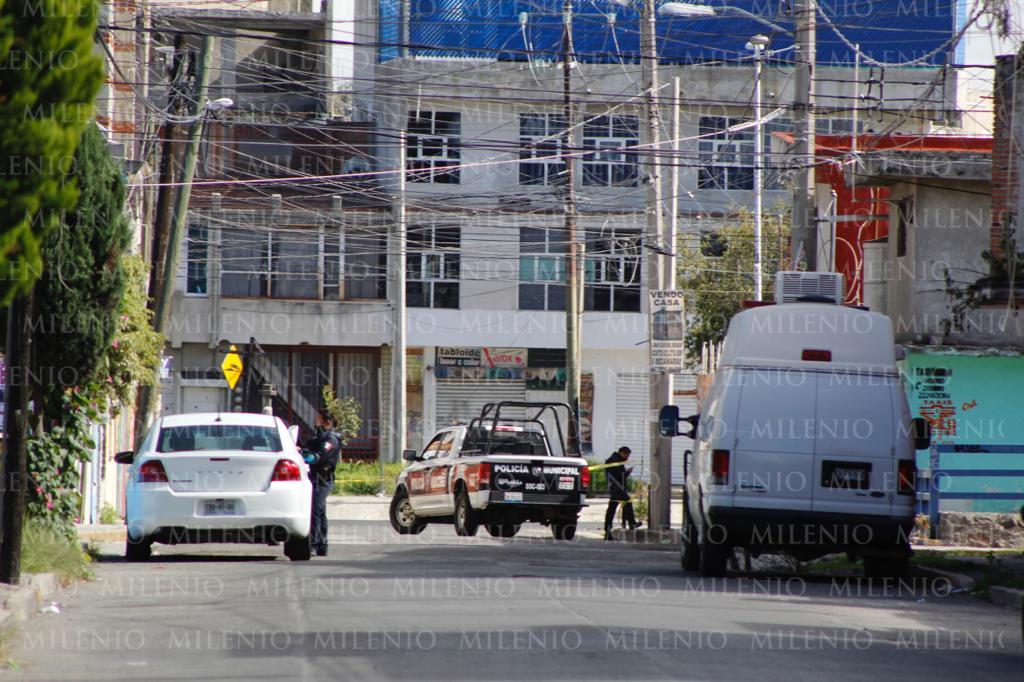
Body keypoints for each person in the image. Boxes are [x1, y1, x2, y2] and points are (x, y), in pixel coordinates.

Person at [305, 411, 341, 556]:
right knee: (320, 512)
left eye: (319, 419)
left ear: (328, 422)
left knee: (315, 510)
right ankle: (322, 545)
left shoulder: (331, 439)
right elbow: (309, 447)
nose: (316, 422)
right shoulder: (318, 436)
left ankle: (314, 544)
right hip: (314, 477)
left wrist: (304, 456)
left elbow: (319, 456)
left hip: (323, 479)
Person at [604, 446, 641, 540]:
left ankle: (608, 531)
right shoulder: (614, 460)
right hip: (617, 488)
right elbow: (619, 476)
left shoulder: (616, 460)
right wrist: (627, 472)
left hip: (617, 488)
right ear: (621, 453)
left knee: (612, 509)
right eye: (627, 455)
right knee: (626, 502)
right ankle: (631, 523)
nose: (627, 457)